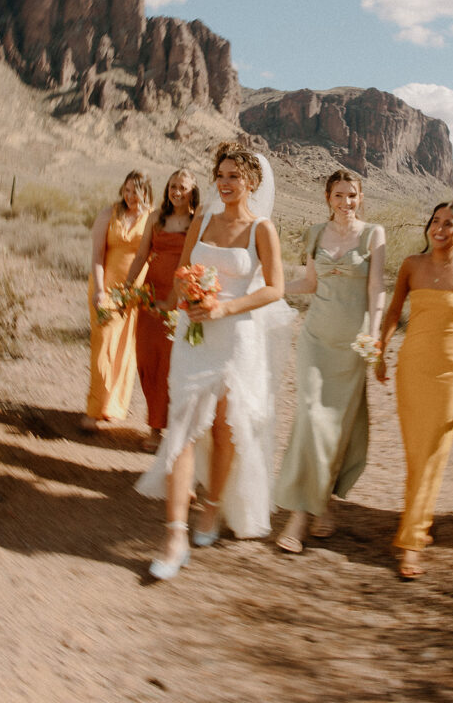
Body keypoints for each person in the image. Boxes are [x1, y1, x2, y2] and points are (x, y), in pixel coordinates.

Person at [136, 142, 289, 580]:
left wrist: (223, 307)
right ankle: (173, 535)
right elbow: (184, 272)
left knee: (223, 429)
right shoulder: (201, 221)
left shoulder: (263, 229)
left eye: (234, 176)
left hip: (235, 336)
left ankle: (213, 506)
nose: (225, 183)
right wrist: (182, 299)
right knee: (181, 428)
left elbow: (275, 288)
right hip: (194, 335)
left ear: (252, 182)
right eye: (220, 175)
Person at [275, 170, 385, 553]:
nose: (346, 202)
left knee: (337, 427)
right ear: (327, 197)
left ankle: (318, 504)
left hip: (352, 343)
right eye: (339, 195)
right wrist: (268, 288)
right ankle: (302, 514)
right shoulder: (315, 234)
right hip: (316, 339)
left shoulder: (374, 235)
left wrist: (373, 333)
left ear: (361, 197)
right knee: (310, 415)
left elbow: (376, 289)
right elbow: (308, 283)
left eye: (352, 195)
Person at [378, 200, 453, 580]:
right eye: (436, 222)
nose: (440, 229)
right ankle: (417, 523)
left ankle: (411, 541)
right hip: (412, 369)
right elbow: (394, 312)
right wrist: (380, 351)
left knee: (432, 456)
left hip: (452, 373)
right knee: (415, 454)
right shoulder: (412, 264)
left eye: (449, 224)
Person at [125, 169, 200, 452]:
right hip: (150, 293)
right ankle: (154, 423)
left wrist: (180, 298)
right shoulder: (156, 217)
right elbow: (142, 254)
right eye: (172, 186)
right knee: (147, 360)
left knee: (172, 363)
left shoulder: (197, 221)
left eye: (182, 187)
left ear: (193, 191)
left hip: (179, 297)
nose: (176, 191)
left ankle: (164, 430)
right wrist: (127, 288)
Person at [81, 170, 153, 431]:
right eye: (126, 190)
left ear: (146, 191)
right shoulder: (108, 214)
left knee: (124, 351)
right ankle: (93, 409)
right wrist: (99, 290)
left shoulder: (152, 218)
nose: (130, 195)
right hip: (106, 290)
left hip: (135, 294)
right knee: (102, 348)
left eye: (136, 190)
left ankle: (111, 407)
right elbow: (98, 256)